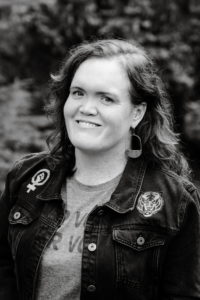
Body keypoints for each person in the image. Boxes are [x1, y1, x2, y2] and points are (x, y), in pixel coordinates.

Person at [0, 39, 200, 300]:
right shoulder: (26, 178)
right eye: (78, 93)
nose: (86, 108)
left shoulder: (174, 201)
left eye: (106, 98)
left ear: (136, 113)